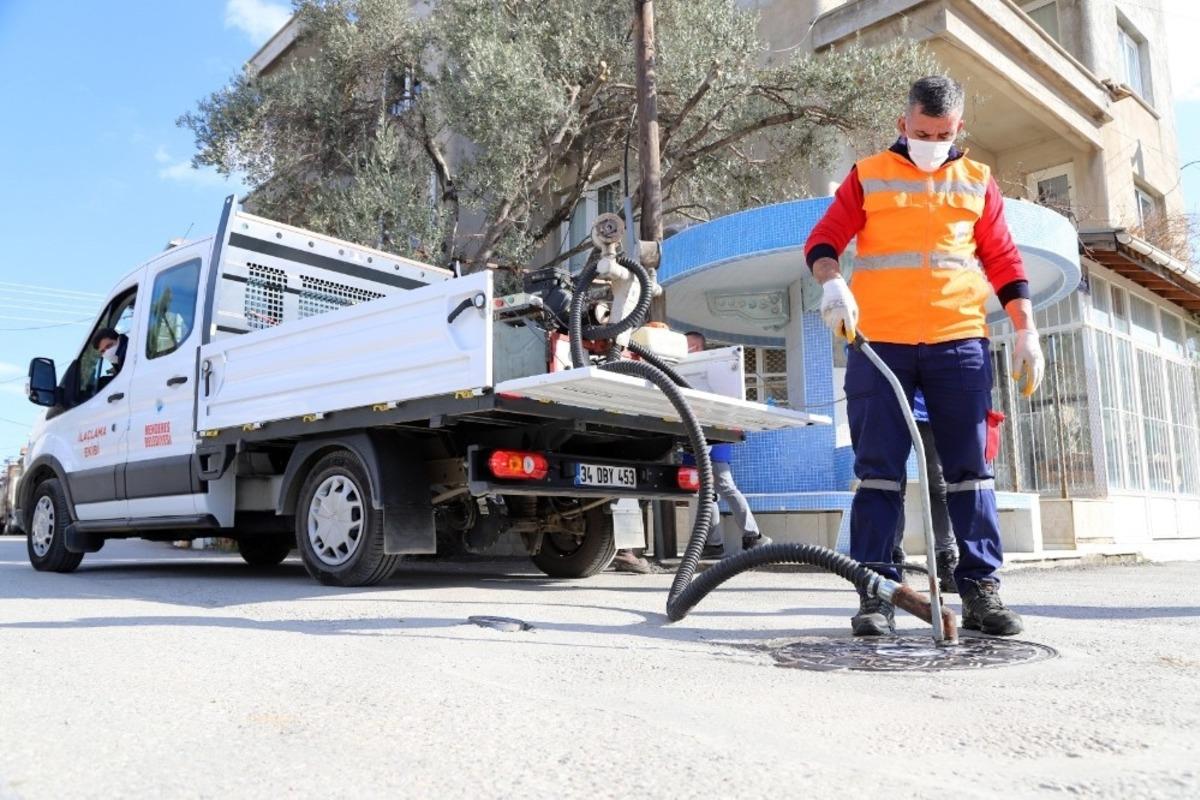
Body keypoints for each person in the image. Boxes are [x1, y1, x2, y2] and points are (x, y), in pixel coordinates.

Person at [804, 75, 1045, 637]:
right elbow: (823, 241)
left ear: (959, 128)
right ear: (902, 126)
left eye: (943, 132)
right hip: (880, 342)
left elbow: (1005, 262)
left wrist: (1026, 329)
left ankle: (981, 590)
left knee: (970, 473)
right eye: (922, 131)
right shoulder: (870, 176)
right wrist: (831, 282)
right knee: (879, 474)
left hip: (958, 341)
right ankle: (875, 593)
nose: (933, 140)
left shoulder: (978, 182)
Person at [683, 331, 771, 557]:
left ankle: (752, 535)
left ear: (700, 348)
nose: (687, 350)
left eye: (691, 346)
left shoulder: (712, 370)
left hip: (714, 439)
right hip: (692, 439)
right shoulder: (681, 370)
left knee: (725, 486)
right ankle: (714, 544)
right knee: (706, 493)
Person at [891, 389, 957, 594]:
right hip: (893, 404)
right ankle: (894, 559)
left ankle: (945, 558)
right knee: (893, 484)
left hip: (928, 405)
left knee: (938, 484)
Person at [92, 327, 128, 392]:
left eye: (109, 346)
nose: (107, 352)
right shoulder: (119, 364)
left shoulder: (127, 353)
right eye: (103, 351)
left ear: (118, 339)